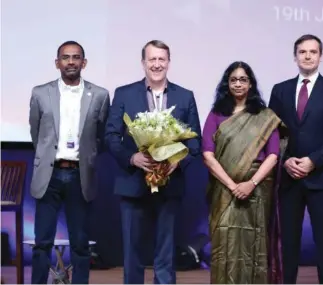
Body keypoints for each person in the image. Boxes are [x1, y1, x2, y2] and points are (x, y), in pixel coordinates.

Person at [104, 40, 202, 284]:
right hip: (133, 184)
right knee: (132, 250)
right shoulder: (124, 93)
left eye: (161, 59)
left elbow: (195, 142)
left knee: (165, 251)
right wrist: (132, 157)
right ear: (143, 63)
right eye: (152, 59)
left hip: (170, 185)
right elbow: (111, 135)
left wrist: (178, 161)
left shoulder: (185, 96)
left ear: (168, 62)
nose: (157, 64)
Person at [268, 34, 323, 284]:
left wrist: (313, 161)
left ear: (320, 56)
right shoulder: (280, 90)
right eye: (302, 52)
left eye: (312, 52)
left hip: (322, 176)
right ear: (295, 56)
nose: (307, 56)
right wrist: (285, 160)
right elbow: (272, 131)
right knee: (289, 242)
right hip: (289, 177)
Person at [29, 41, 110, 284]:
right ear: (57, 63)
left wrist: (89, 157)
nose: (71, 62)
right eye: (66, 57)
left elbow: (101, 135)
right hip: (49, 175)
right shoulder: (40, 93)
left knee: (81, 243)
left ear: (84, 63)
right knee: (42, 242)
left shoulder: (100, 95)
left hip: (80, 175)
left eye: (76, 57)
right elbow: (36, 133)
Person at [202, 61, 283, 284]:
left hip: (256, 190)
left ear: (250, 84)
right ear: (227, 84)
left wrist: (251, 183)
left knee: (253, 244)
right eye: (233, 79)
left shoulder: (264, 116)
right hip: (224, 189)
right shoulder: (217, 114)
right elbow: (208, 155)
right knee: (224, 242)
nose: (238, 84)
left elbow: (273, 155)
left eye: (243, 79)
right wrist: (232, 185)